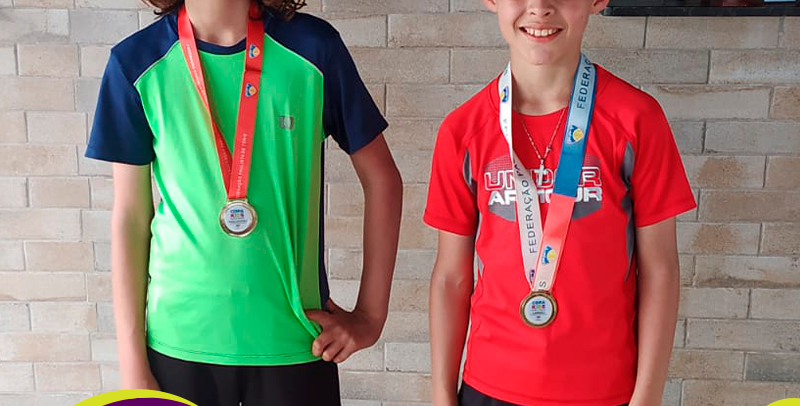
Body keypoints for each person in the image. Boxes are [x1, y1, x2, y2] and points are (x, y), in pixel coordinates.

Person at [85, 0, 402, 404]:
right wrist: (132, 363)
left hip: (295, 341)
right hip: (178, 346)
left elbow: (383, 180)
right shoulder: (135, 63)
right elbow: (131, 218)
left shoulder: (313, 49)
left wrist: (370, 316)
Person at [424, 1, 696, 405]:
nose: (539, 8)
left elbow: (660, 270)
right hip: (489, 387)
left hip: (605, 390)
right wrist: (441, 395)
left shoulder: (637, 119)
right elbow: (451, 277)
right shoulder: (462, 130)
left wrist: (648, 396)